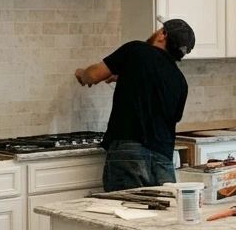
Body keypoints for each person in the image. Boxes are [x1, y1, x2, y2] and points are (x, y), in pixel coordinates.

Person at [75, 18, 196, 191]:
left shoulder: (136, 50)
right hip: (162, 158)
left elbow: (94, 75)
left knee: (124, 213)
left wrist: (82, 74)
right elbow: (167, 112)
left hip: (128, 153)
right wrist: (124, 76)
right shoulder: (180, 81)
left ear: (163, 35)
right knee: (160, 216)